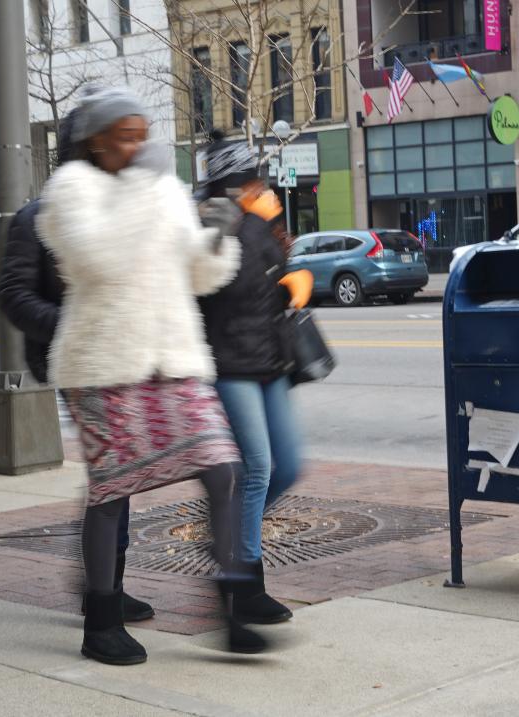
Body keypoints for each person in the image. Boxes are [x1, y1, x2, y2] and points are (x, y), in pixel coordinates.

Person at [38, 86, 267, 664]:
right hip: (102, 364)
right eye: (126, 135)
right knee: (113, 490)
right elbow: (100, 258)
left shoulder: (160, 188)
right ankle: (101, 620)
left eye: (144, 135)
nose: (139, 146)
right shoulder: (71, 190)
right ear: (97, 140)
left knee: (223, 468)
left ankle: (234, 605)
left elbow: (195, 274)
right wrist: (147, 185)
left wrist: (215, 235)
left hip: (174, 357)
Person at [0, 110, 155, 624]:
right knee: (112, 477)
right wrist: (77, 323)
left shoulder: (112, 210)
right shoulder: (38, 217)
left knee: (118, 477)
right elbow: (15, 296)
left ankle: (105, 584)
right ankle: (100, 601)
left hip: (119, 358)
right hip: (76, 363)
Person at [197, 133, 312, 625]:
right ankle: (243, 582)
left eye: (256, 177)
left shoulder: (262, 219)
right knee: (258, 467)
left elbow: (274, 277)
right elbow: (204, 286)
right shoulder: (207, 221)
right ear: (228, 183)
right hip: (228, 362)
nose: (256, 185)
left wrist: (294, 282)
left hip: (270, 359)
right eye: (247, 179)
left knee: (287, 465)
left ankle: (229, 532)